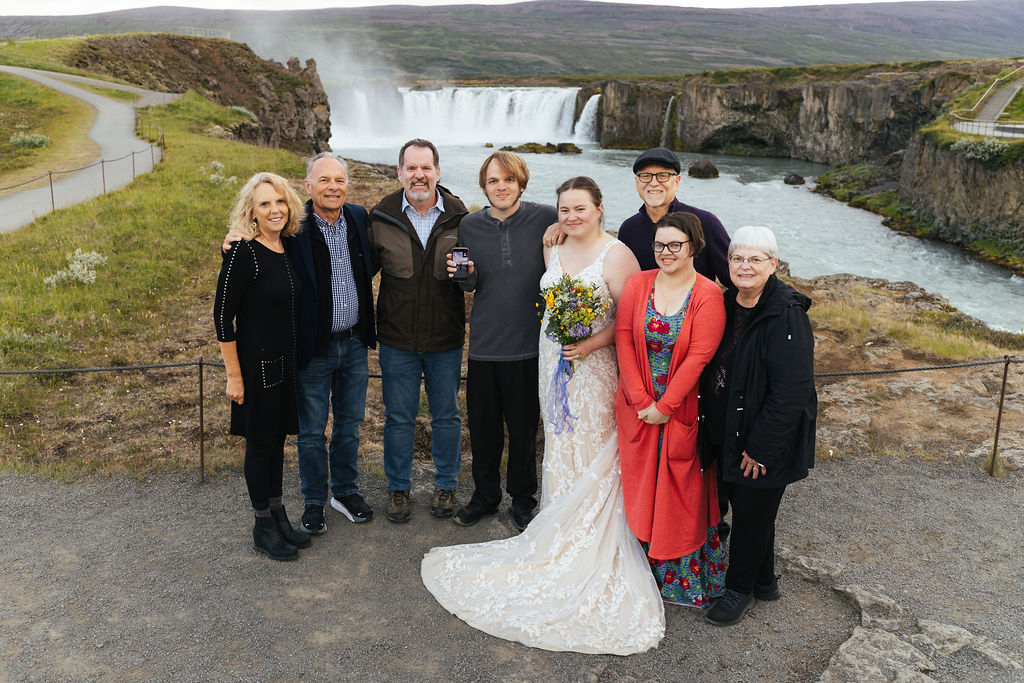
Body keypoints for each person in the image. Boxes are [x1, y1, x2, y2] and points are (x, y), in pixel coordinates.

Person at [421, 177, 665, 655]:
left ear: (599, 208)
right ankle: (556, 523)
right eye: (565, 209)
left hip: (593, 365)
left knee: (592, 444)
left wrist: (590, 344)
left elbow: (630, 318)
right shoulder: (552, 245)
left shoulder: (617, 254)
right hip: (552, 359)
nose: (572, 217)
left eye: (580, 209)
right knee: (557, 440)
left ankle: (590, 535)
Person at [223, 153, 377, 536]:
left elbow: (371, 263)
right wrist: (230, 244)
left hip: (354, 344)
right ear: (308, 186)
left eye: (339, 180)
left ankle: (345, 492)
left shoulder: (359, 217)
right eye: (324, 180)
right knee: (311, 432)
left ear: (347, 185)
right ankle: (313, 502)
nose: (333, 187)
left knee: (349, 425)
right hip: (313, 347)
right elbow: (257, 249)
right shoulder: (294, 226)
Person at [699, 225, 817, 626]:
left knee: (751, 514)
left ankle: (739, 589)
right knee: (753, 509)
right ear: (727, 262)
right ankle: (764, 581)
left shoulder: (786, 314)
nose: (744, 266)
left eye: (755, 259)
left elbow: (792, 391)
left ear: (773, 264)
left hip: (764, 438)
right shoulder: (726, 303)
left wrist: (762, 448)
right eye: (737, 258)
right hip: (728, 430)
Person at [614, 211, 727, 608]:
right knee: (640, 486)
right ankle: (638, 568)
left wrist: (665, 405)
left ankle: (680, 581)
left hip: (681, 411)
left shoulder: (708, 295)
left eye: (675, 244)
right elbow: (623, 338)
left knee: (681, 492)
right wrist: (641, 399)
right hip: (637, 407)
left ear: (694, 246)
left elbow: (699, 357)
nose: (666, 252)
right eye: (660, 244)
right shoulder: (638, 283)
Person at [446, 151, 557, 531]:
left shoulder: (546, 217)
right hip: (484, 346)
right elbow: (470, 284)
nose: (501, 187)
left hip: (529, 346)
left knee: (524, 432)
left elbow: (581, 231)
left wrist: (562, 229)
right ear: (484, 187)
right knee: (483, 430)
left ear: (521, 183)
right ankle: (485, 496)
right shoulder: (470, 225)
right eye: (493, 181)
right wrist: (463, 276)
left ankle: (523, 500)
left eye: (508, 179)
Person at [368, 139, 468, 524]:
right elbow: (356, 269)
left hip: (445, 338)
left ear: (438, 172)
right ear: (399, 173)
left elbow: (473, 276)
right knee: (398, 417)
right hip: (397, 340)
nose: (419, 175)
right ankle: (398, 489)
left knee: (446, 416)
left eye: (426, 167)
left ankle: (446, 485)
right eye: (411, 168)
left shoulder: (461, 217)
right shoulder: (381, 217)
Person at [214, 172, 311, 561]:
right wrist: (234, 376)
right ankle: (262, 526)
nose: (274, 209)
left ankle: (277, 514)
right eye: (265, 203)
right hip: (254, 369)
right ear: (251, 212)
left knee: (277, 443)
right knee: (259, 446)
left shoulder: (287, 246)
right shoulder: (243, 252)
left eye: (280, 201)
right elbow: (223, 317)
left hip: (284, 367)